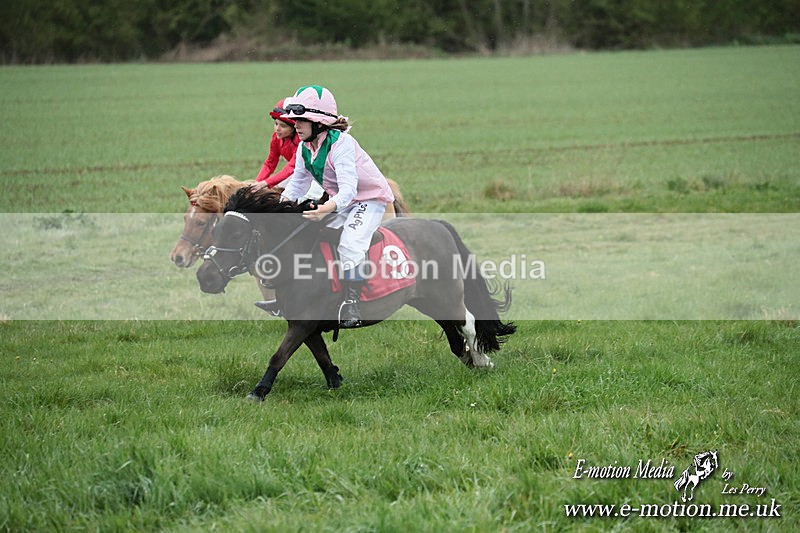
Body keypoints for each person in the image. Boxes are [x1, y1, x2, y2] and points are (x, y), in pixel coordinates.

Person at [279, 85, 395, 328]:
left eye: (301, 120)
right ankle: (303, 294)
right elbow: (298, 184)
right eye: (294, 120)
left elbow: (349, 190)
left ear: (319, 123)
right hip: (342, 201)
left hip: (368, 200)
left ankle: (353, 303)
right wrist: (280, 208)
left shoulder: (341, 144)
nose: (295, 125)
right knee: (309, 233)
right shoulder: (304, 146)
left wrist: (325, 209)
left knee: (350, 243)